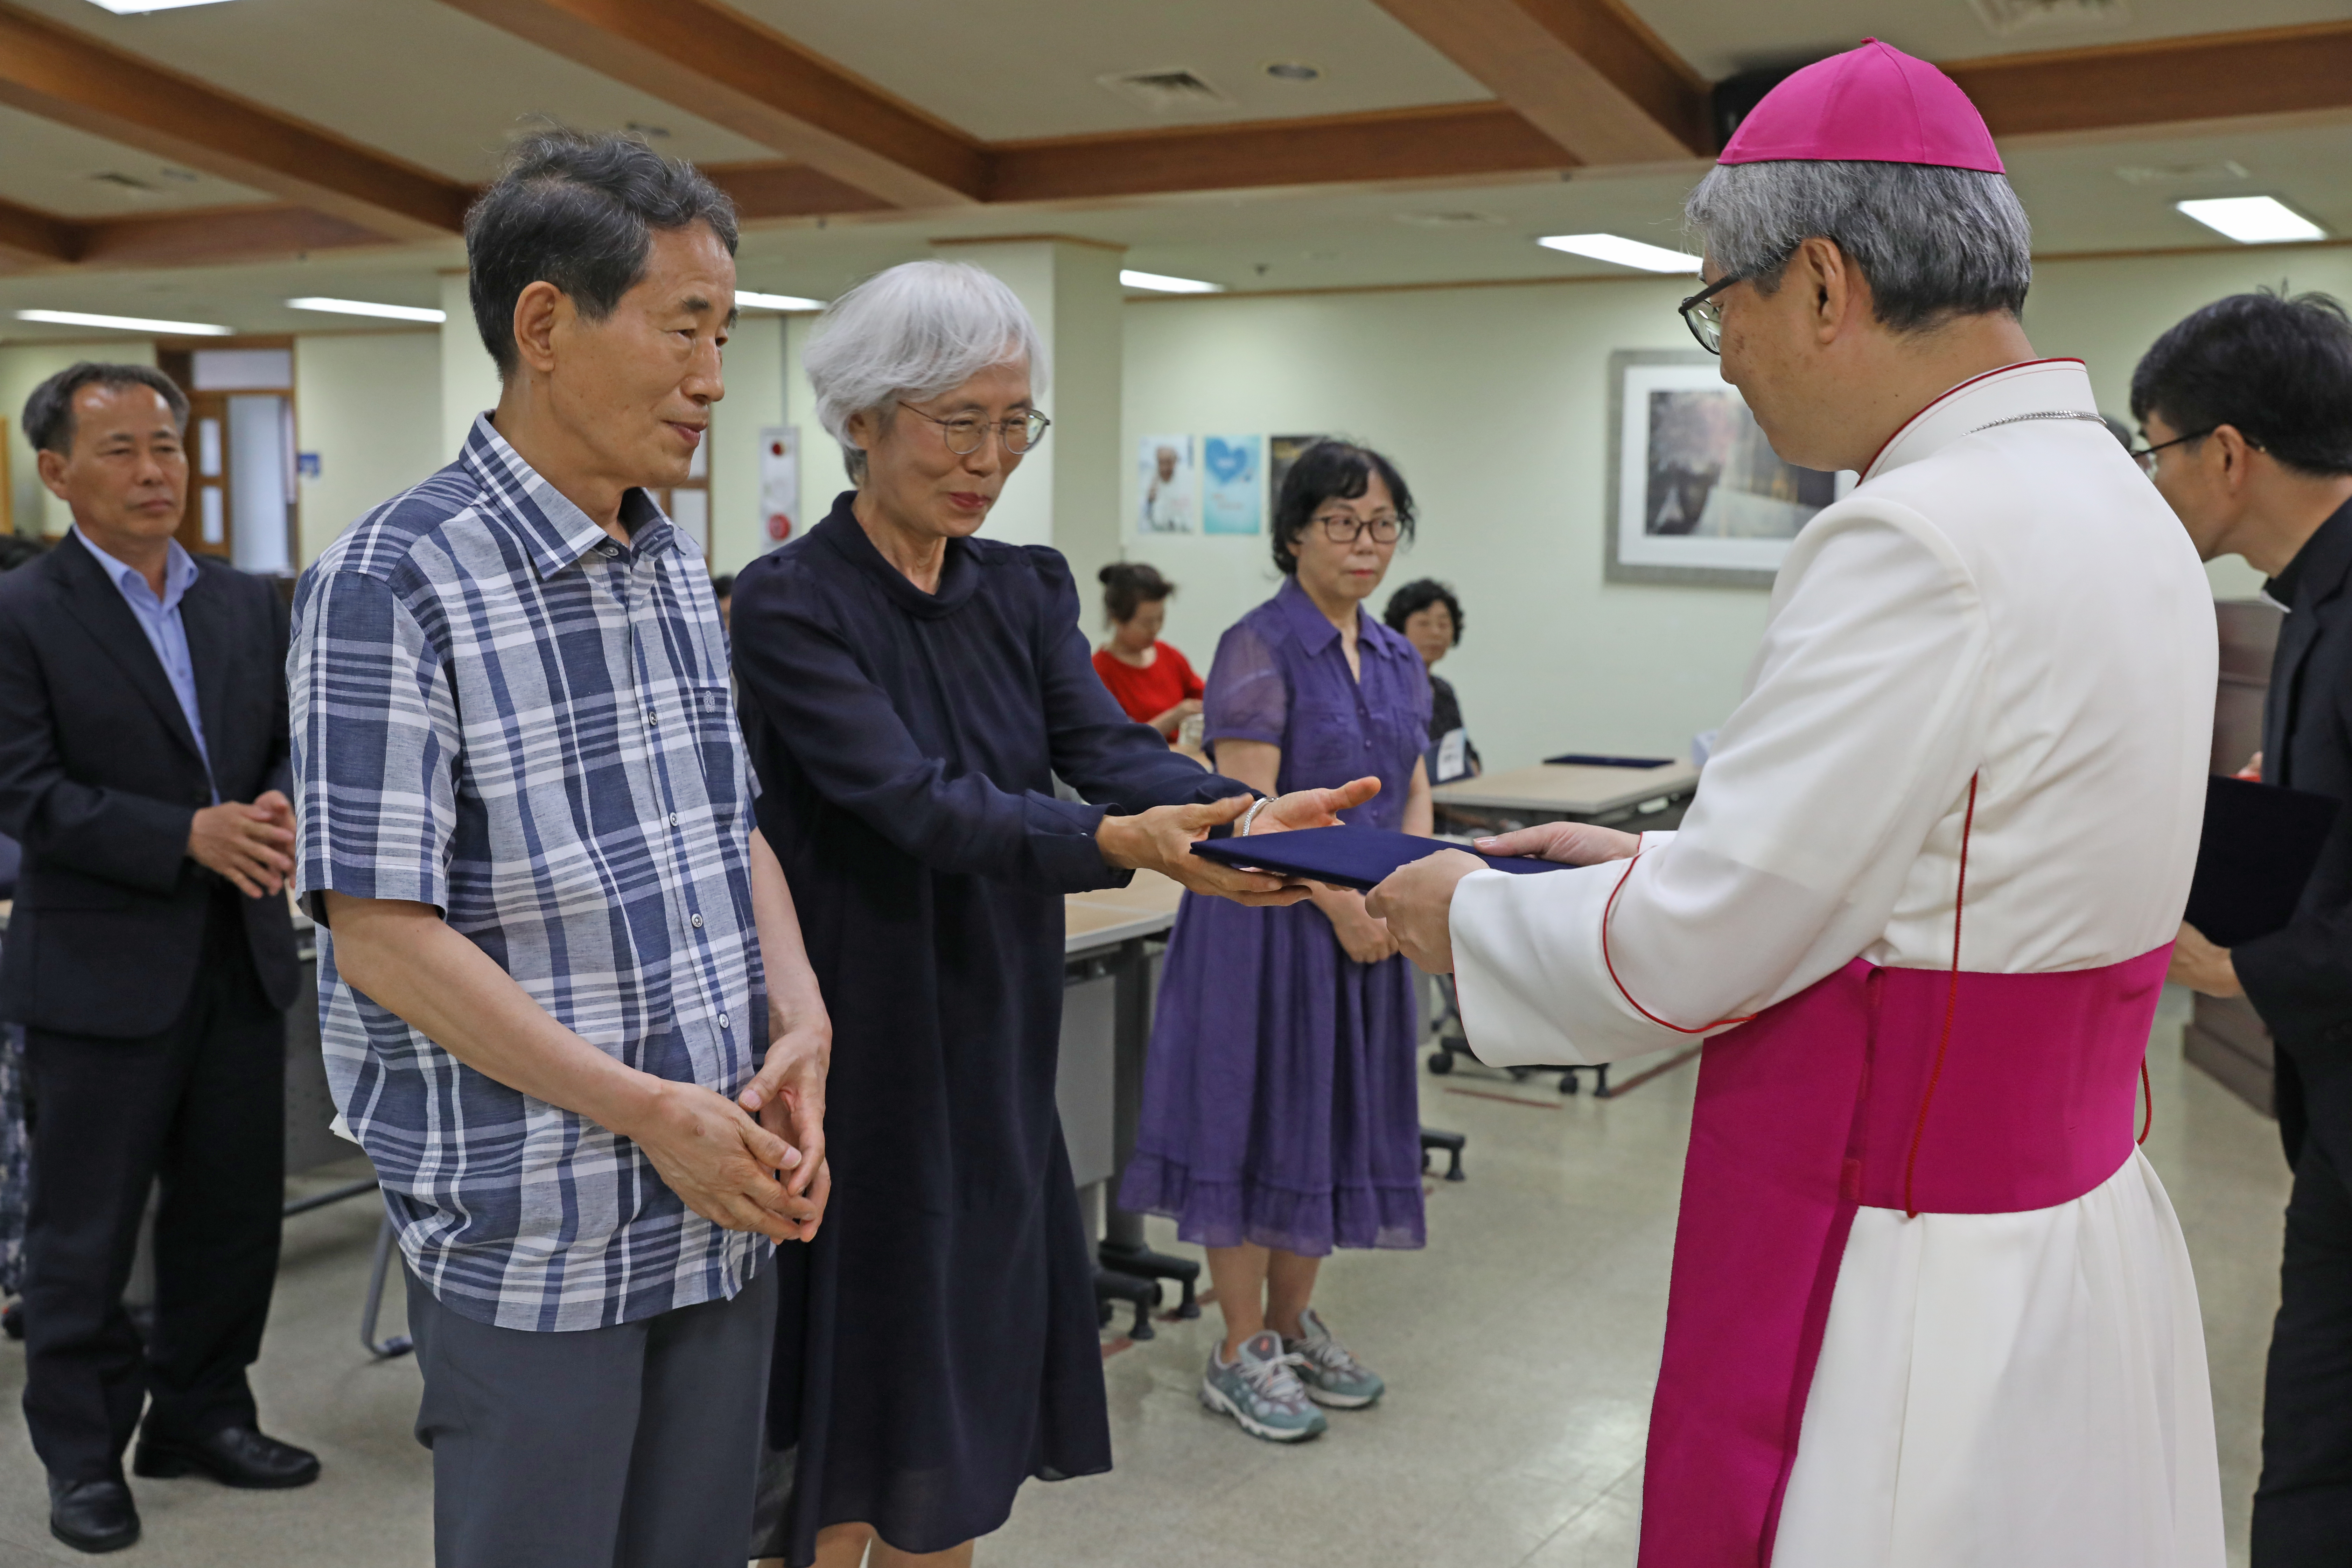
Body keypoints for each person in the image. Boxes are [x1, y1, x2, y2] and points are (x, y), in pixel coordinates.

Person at [1368, 41, 2222, 1567]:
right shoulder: (2117, 502)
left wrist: (1467, 912)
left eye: (1723, 304)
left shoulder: (1915, 534)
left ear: (1821, 285)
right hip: (2073, 1208)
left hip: (1920, 1255)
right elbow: (1953, 855)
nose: (1720, 355)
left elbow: (1709, 944)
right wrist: (1650, 854)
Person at [730, 259, 1372, 1568]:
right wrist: (1112, 842)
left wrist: (1234, 817)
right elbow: (915, 802)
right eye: (954, 422)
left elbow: (1100, 745)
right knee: (845, 1404)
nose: (988, 458)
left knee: (958, 1409)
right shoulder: (792, 601)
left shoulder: (1019, 586)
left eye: (1012, 422)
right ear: (860, 420)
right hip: (853, 1037)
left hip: (993, 1020)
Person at [288, 132, 830, 1568]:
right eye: (685, 326)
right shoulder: (391, 580)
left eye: (725, 329)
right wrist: (645, 1108)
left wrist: (803, 1015)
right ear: (545, 325)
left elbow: (733, 834)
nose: (716, 374)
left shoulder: (663, 559)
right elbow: (383, 936)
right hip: (541, 1226)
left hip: (723, 1197)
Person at [0, 363, 311, 1555]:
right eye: (121, 449)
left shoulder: (244, 601)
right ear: (58, 474)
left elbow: (286, 741)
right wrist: (183, 834)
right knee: (84, 1240)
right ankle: (84, 1460)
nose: (153, 471)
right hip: (96, 977)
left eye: (168, 447)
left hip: (236, 959)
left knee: (232, 1221)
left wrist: (277, 804)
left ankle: (201, 1415)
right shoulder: (23, 614)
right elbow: (24, 792)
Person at [1122, 440, 1434, 1444]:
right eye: (1341, 522)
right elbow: (1252, 809)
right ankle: (1237, 1345)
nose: (1364, 543)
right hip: (1271, 932)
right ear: (1294, 533)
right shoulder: (1255, 644)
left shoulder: (1392, 654)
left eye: (1382, 525)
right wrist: (1349, 906)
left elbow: (1415, 791)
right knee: (1255, 1123)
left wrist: (1414, 897)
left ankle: (1295, 1325)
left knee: (1330, 1122)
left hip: (1370, 929)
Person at [2139, 292, 2352, 1567]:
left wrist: (2239, 966)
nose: (2146, 480)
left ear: (2223, 453)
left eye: (2149, 447)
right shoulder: (2311, 596)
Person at [1091, 561, 1204, 741]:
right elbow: (1116, 742)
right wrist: (1174, 718)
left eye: (1160, 619)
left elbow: (1203, 696)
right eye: (1146, 623)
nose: (1156, 629)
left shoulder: (1170, 656)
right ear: (1117, 619)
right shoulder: (1099, 672)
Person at [1383, 577, 1480, 782]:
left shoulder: (1444, 690)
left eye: (1444, 624)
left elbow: (1466, 754)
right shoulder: (1385, 687)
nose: (1435, 633)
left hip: (1451, 798)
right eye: (1423, 623)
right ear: (1399, 631)